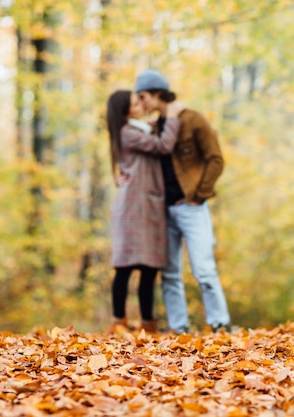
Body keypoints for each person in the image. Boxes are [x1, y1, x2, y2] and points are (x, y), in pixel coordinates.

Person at [134, 69, 231, 333]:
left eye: (142, 96)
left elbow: (216, 159)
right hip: (162, 211)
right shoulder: (155, 127)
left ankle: (220, 324)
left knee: (204, 270)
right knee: (169, 274)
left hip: (191, 208)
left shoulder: (193, 120)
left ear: (156, 93)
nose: (140, 102)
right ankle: (179, 329)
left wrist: (197, 196)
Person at [106, 89, 184, 333]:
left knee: (149, 267)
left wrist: (158, 120)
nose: (140, 105)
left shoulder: (136, 129)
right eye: (135, 103)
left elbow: (150, 130)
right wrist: (171, 118)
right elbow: (163, 145)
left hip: (148, 205)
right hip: (132, 206)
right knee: (125, 265)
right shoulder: (127, 133)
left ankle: (147, 324)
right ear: (125, 111)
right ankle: (119, 321)